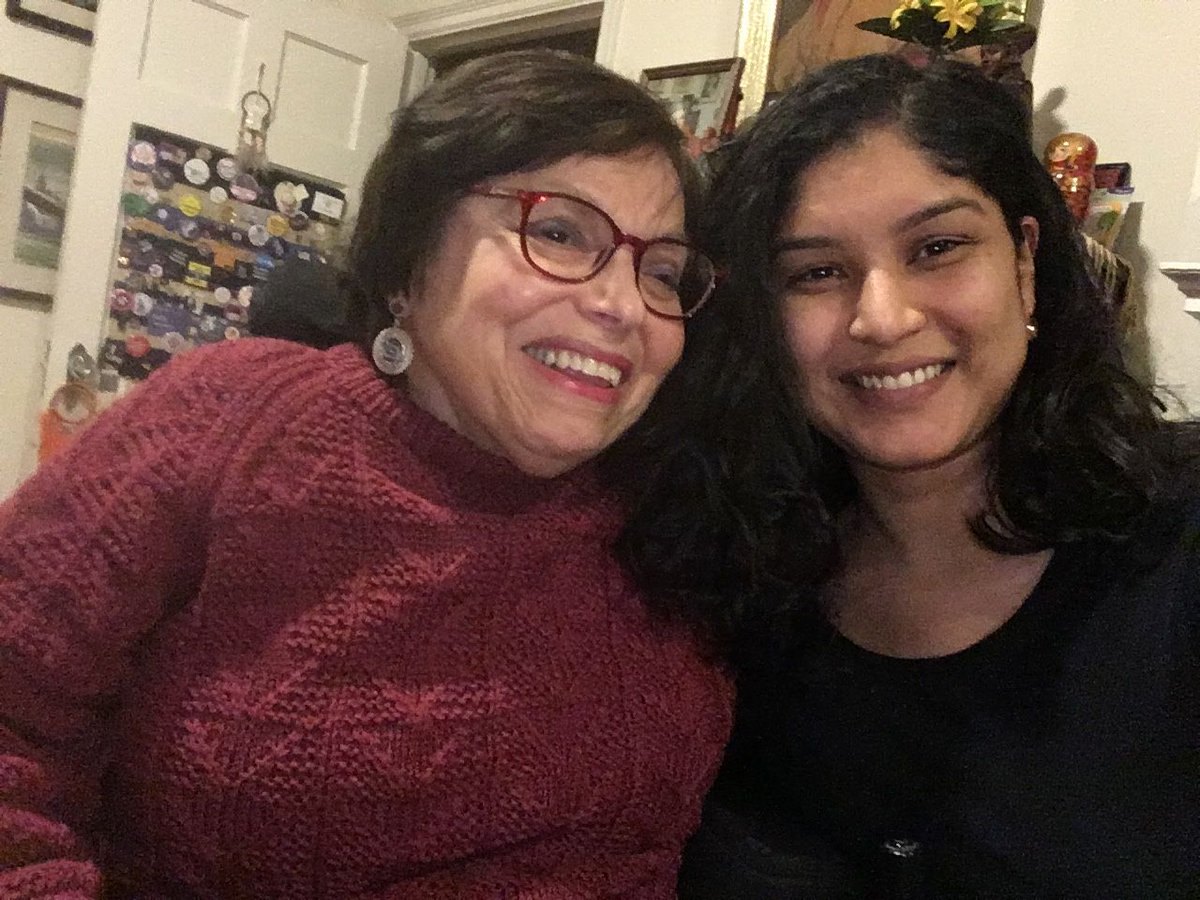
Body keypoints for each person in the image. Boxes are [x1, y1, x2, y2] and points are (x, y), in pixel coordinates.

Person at [0, 50, 732, 899]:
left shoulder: (677, 505)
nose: (623, 305)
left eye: (661, 270)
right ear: (408, 260)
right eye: (560, 232)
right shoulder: (231, 422)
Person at [612, 54, 1200, 898]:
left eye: (937, 248)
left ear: (1024, 263)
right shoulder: (732, 580)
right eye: (816, 272)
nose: (882, 318)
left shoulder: (1177, 542)